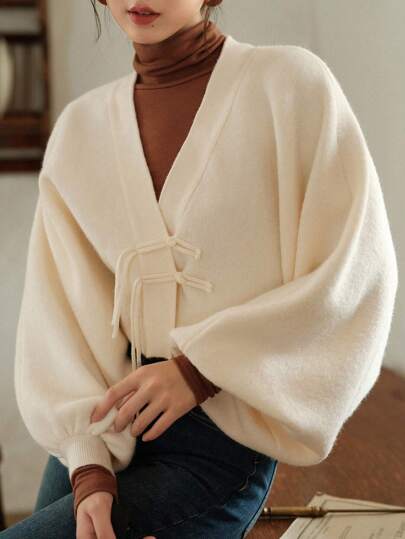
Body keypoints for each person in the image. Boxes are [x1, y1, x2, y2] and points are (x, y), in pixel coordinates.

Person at [4, 0, 398, 537]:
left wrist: (199, 371)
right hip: (103, 431)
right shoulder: (79, 130)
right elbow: (60, 316)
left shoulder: (290, 86)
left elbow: (353, 274)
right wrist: (88, 461)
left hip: (220, 443)